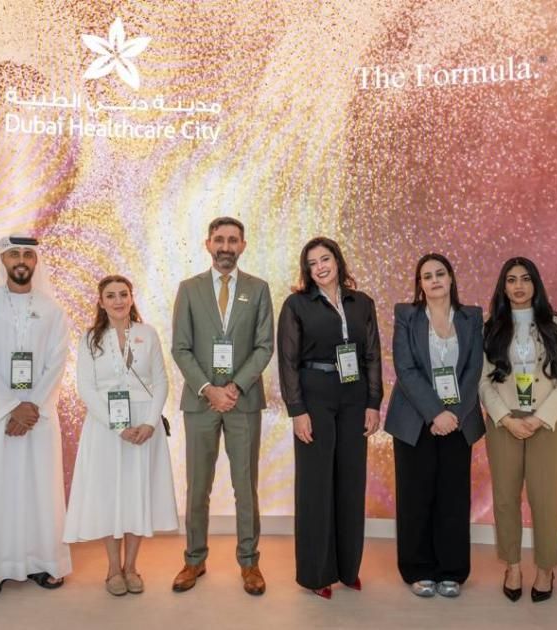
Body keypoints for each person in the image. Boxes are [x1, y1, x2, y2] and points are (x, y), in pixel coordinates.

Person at [0, 235, 71, 597]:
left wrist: (31, 407)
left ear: (36, 262)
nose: (21, 260)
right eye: (13, 254)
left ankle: (43, 562)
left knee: (40, 489)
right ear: (2, 260)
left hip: (39, 416)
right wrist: (11, 406)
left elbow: (57, 362)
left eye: (27, 254)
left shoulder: (53, 311)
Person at [170, 217, 274, 595]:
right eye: (219, 239)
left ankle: (249, 562)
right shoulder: (189, 289)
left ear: (242, 245)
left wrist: (234, 386)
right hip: (201, 403)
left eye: (233, 240)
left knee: (245, 486)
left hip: (243, 402)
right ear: (208, 244)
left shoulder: (258, 289)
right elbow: (180, 347)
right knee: (198, 486)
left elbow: (264, 345)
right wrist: (208, 389)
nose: (225, 246)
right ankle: (194, 559)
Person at [277, 237, 382, 599]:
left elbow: (372, 354)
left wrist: (373, 402)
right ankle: (316, 574)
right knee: (316, 486)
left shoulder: (362, 303)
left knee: (351, 482)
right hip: (315, 396)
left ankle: (347, 568)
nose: (320, 267)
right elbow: (287, 361)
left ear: (338, 260)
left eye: (325, 259)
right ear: (306, 270)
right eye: (312, 263)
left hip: (354, 397)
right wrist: (297, 410)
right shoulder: (296, 305)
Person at [64, 275, 178, 596]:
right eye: (111, 295)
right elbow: (86, 388)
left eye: (123, 294)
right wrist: (118, 426)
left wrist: (151, 423)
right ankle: (113, 568)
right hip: (106, 427)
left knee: (136, 491)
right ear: (101, 302)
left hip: (144, 425)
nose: (118, 301)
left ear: (131, 298)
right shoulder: (90, 338)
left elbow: (161, 381)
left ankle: (131, 567)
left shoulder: (147, 334)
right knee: (110, 494)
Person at [384, 253, 484, 599]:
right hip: (415, 420)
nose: (435, 280)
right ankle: (418, 569)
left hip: (459, 420)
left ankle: (451, 571)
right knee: (415, 497)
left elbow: (474, 369)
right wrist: (435, 413)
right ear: (420, 284)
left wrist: (452, 414)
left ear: (451, 278)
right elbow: (405, 369)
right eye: (427, 276)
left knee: (453, 498)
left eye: (440, 273)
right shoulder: (406, 315)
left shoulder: (472, 316)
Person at [479, 257, 557, 603]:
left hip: (547, 422)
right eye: (511, 280)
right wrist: (506, 418)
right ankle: (512, 566)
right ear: (503, 287)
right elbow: (483, 381)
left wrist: (539, 418)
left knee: (545, 498)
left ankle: (546, 568)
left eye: (525, 279)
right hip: (503, 422)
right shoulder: (490, 328)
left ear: (535, 284)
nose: (518, 286)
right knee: (506, 498)